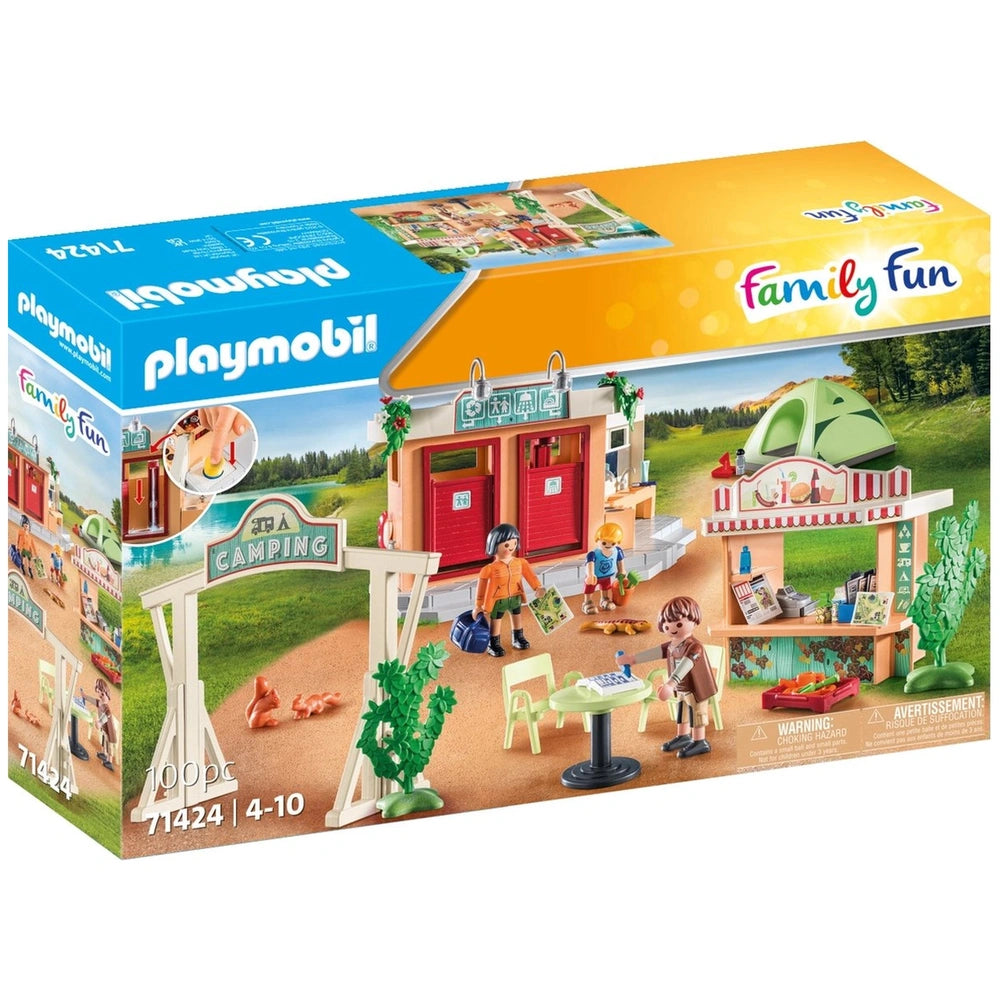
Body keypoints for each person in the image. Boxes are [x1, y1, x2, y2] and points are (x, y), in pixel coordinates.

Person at [616, 596, 717, 758]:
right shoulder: (672, 645)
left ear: (694, 621)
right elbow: (655, 652)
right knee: (682, 711)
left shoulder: (695, 647)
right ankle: (683, 736)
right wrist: (632, 659)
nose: (672, 629)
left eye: (679, 624)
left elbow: (686, 664)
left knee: (697, 713)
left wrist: (670, 684)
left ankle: (700, 741)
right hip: (681, 687)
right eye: (667, 625)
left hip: (697, 688)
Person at [474, 523, 540, 658]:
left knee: (517, 616)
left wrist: (537, 587)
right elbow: (481, 588)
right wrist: (478, 605)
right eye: (506, 545)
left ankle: (518, 637)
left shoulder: (520, 563)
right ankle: (493, 643)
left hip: (515, 596)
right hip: (498, 599)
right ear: (494, 545)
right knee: (496, 620)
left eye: (514, 543)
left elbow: (531, 576)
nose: (511, 547)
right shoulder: (489, 569)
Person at [582, 522, 626, 614]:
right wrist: (590, 574)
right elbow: (590, 563)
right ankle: (587, 602)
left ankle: (604, 599)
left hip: (606, 576)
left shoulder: (617, 551)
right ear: (598, 540)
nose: (608, 545)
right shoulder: (593, 554)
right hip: (594, 577)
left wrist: (621, 570)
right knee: (590, 588)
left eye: (613, 543)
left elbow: (620, 561)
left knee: (605, 587)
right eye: (604, 542)